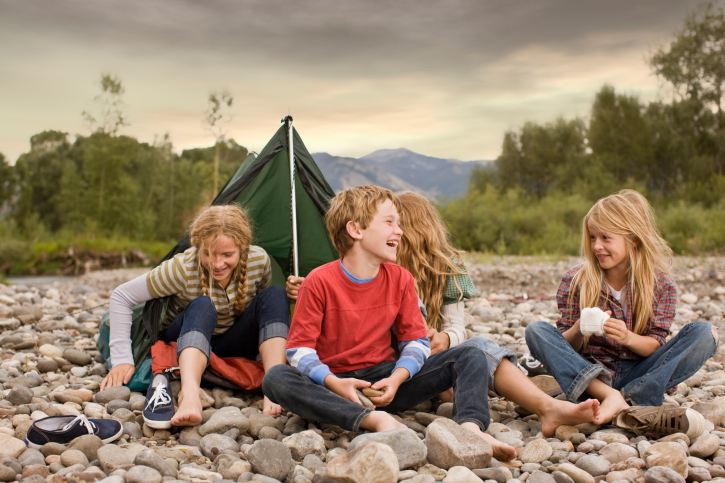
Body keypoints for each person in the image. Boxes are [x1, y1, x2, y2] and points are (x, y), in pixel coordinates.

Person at [266, 186, 600, 462]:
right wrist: (335, 382)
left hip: (387, 381)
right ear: (356, 229)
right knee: (276, 378)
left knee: (470, 353)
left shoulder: (400, 279)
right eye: (389, 222)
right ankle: (372, 420)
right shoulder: (319, 282)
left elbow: (415, 342)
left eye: (399, 223)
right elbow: (298, 349)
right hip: (337, 385)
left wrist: (397, 378)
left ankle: (470, 427)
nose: (399, 230)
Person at [525, 190, 718, 429]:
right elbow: (564, 347)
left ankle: (635, 397)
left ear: (634, 239)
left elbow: (655, 345)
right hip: (591, 374)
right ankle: (618, 400)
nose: (597, 246)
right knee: (536, 330)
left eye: (606, 238)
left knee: (705, 333)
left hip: (639, 371)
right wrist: (578, 329)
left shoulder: (660, 284)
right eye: (593, 237)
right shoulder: (576, 279)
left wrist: (628, 337)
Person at [101, 205, 289, 427]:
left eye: (227, 255)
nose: (217, 264)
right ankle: (190, 394)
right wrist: (122, 359)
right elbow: (122, 296)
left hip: (230, 344)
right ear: (198, 246)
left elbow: (263, 309)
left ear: (243, 248)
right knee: (202, 304)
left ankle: (273, 386)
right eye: (208, 253)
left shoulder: (259, 261)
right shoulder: (181, 268)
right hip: (185, 341)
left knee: (276, 293)